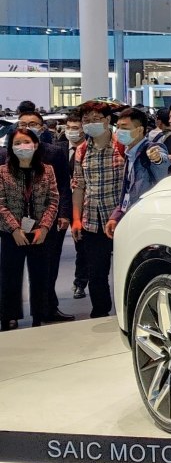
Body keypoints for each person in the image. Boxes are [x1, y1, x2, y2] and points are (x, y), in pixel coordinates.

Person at [16, 110, 74, 323]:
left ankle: (47, 309)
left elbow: (63, 185)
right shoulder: (6, 153)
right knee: (13, 269)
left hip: (49, 218)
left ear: (41, 127)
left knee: (48, 267)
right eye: (23, 124)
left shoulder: (54, 153)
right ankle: (9, 313)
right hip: (15, 221)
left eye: (32, 124)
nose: (27, 127)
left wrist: (64, 213)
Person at [0, 127, 59, 330]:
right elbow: (1, 203)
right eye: (17, 143)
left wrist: (44, 227)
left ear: (35, 144)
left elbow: (53, 200)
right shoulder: (3, 172)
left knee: (40, 275)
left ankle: (39, 315)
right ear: (11, 147)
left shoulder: (47, 170)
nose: (22, 146)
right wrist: (14, 229)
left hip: (39, 232)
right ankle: (9, 316)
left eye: (26, 142)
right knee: (10, 276)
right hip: (11, 233)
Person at [71, 103, 125, 319]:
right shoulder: (82, 150)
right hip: (92, 220)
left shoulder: (122, 145)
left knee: (125, 269)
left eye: (95, 119)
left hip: (121, 220)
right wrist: (76, 220)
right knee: (96, 273)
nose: (90, 123)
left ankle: (128, 314)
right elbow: (78, 186)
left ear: (107, 120)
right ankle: (100, 312)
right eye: (86, 120)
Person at [105, 108, 169, 239]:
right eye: (118, 127)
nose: (119, 131)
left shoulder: (151, 148)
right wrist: (116, 215)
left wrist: (157, 158)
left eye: (124, 127)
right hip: (132, 217)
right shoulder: (129, 154)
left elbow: (162, 160)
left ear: (140, 130)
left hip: (150, 219)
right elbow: (127, 190)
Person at [63, 111, 90, 300]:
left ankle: (80, 282)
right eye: (69, 128)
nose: (71, 131)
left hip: (84, 204)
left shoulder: (89, 149)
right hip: (63, 204)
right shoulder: (58, 149)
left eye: (76, 128)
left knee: (83, 247)